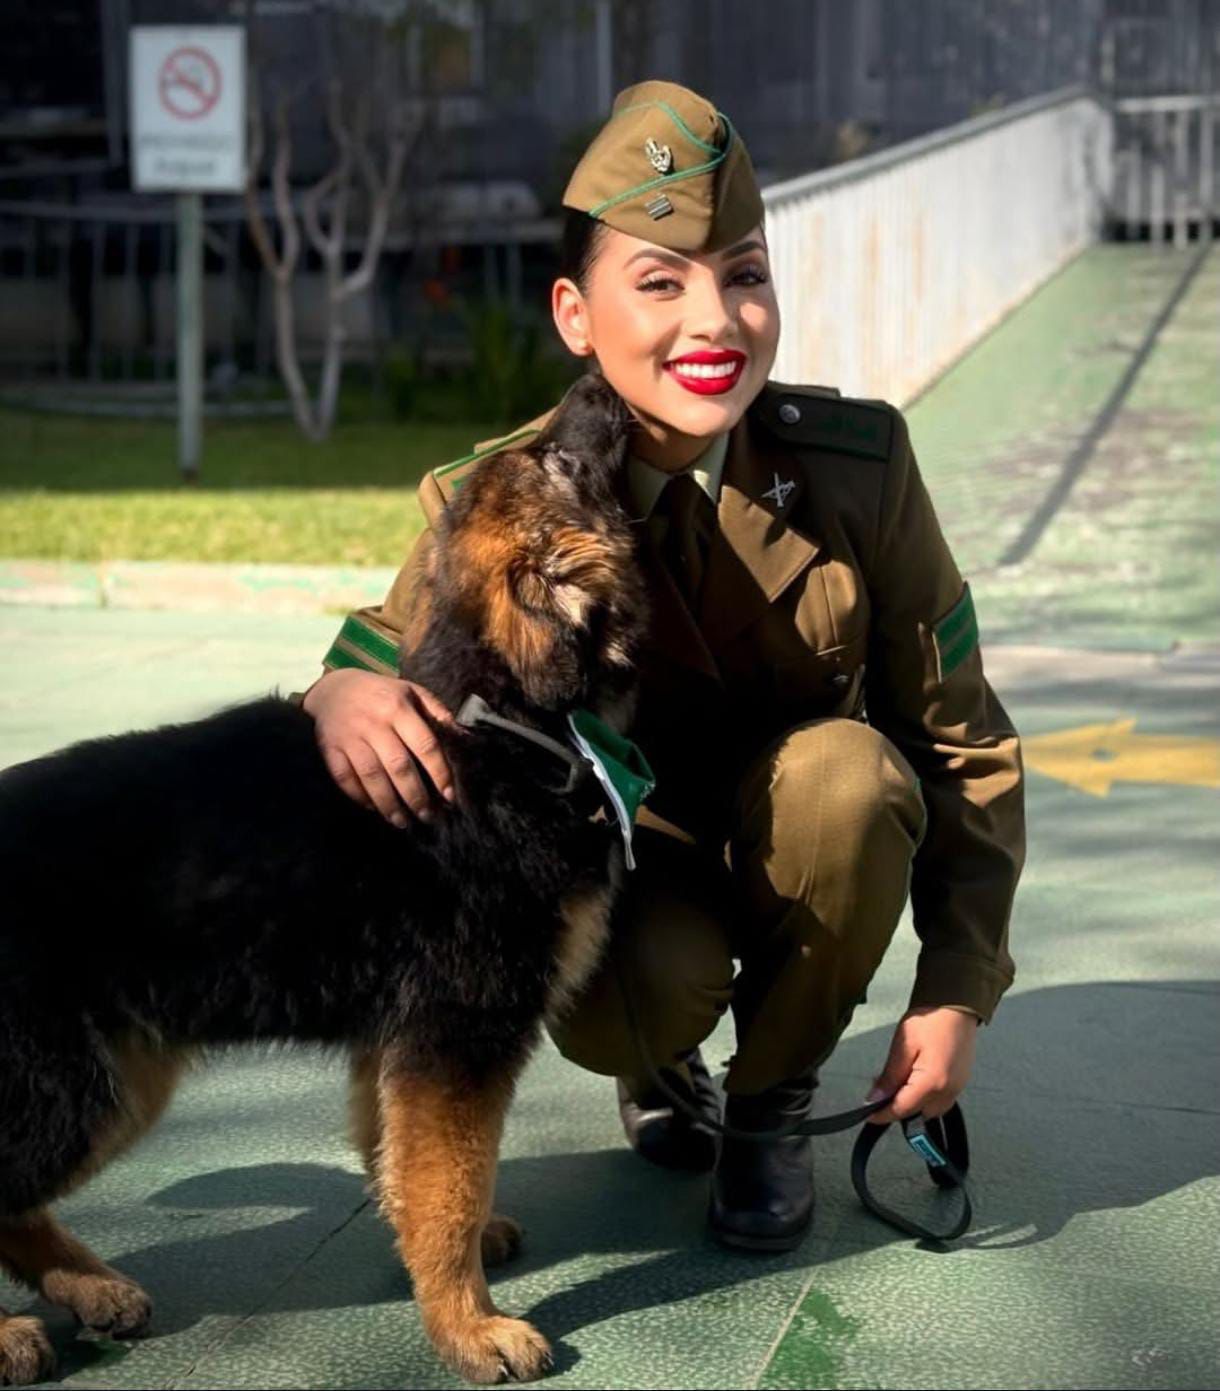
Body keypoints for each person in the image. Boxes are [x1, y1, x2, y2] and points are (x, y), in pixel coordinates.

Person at [292, 79, 1025, 1251]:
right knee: (625, 983)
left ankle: (768, 1104)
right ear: (575, 315)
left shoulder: (858, 469)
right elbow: (379, 664)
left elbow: (958, 740)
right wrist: (332, 692)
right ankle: (660, 1057)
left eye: (744, 274)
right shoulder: (498, 497)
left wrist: (953, 988)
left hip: (803, 847)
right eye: (660, 282)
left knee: (852, 778)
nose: (716, 322)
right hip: (630, 892)